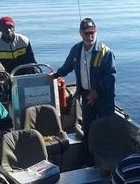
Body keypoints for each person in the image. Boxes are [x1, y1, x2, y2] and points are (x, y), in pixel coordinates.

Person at [49, 18, 116, 161]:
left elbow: (110, 77)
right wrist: (56, 75)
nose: (90, 36)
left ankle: (107, 158)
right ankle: (89, 158)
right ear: (80, 33)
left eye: (93, 33)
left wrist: (96, 92)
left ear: (96, 32)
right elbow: (67, 67)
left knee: (106, 128)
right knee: (88, 128)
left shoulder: (105, 52)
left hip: (103, 97)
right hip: (86, 96)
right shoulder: (76, 50)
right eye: (87, 33)